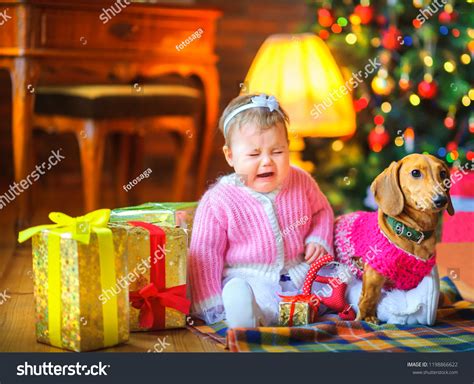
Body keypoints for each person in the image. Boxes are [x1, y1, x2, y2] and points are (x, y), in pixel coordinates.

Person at [188, 94, 334, 327]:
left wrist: (319, 238)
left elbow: (322, 211)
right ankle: (246, 312)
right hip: (251, 276)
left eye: (277, 152)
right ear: (230, 156)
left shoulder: (301, 180)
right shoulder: (218, 200)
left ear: (288, 147)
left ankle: (385, 304)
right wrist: (209, 303)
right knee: (262, 301)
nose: (267, 161)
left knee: (341, 283)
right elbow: (205, 254)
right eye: (254, 154)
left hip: (301, 271)